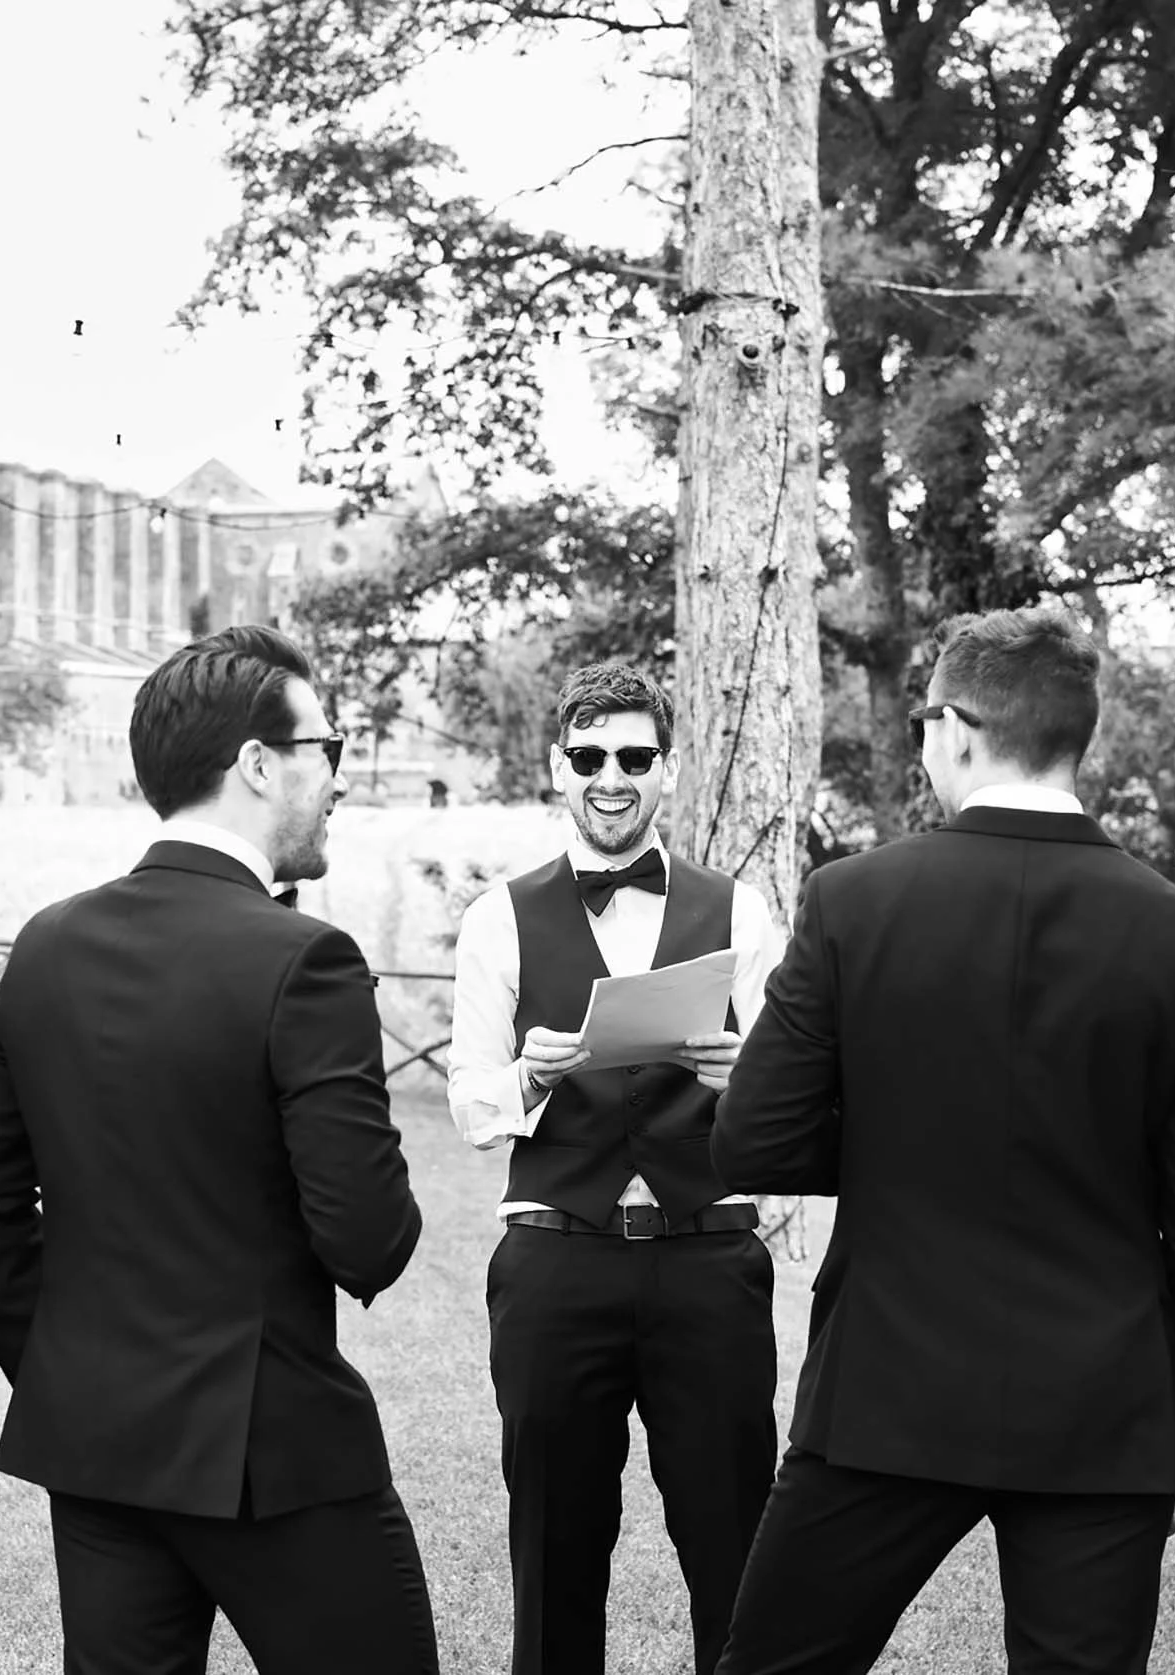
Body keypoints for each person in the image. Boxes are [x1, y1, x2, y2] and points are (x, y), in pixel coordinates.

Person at [710, 607, 1175, 1675]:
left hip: (884, 1392)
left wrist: (892, 1138)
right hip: (1102, 1416)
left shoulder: (852, 900)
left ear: (956, 730)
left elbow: (752, 1142)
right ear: (1072, 738)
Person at [0, 624, 435, 1675]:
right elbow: (368, 1240)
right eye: (327, 748)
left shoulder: (49, 942)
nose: (338, 778)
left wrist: (70, 1366)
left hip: (97, 1442)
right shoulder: (307, 960)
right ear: (257, 763)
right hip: (276, 1448)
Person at [445, 662, 786, 1675]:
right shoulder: (499, 917)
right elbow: (469, 1100)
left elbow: (794, 1097)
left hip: (709, 1259)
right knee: (554, 1552)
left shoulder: (740, 910)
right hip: (557, 1263)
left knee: (735, 1546)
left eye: (634, 757)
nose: (611, 777)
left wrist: (745, 1077)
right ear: (558, 766)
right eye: (589, 756)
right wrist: (529, 1075)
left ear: (666, 769)